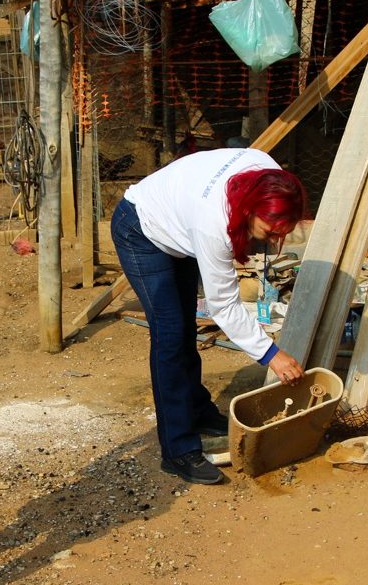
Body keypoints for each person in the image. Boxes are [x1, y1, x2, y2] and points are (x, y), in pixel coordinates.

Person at [110, 147, 308, 485]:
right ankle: (177, 450)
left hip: (179, 224)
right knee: (170, 335)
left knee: (185, 328)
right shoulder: (212, 222)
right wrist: (271, 355)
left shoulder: (273, 178)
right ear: (249, 210)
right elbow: (224, 306)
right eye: (269, 230)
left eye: (283, 232)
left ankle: (198, 412)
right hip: (140, 229)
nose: (276, 241)